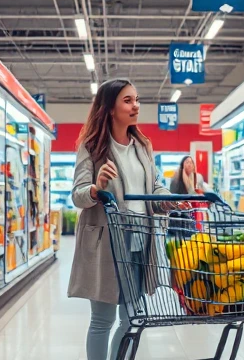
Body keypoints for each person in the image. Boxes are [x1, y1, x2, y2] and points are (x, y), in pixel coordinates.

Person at [69, 78, 178, 360]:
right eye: (128, 101)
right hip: (107, 240)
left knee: (131, 318)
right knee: (102, 320)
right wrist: (96, 187)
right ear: (109, 108)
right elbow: (78, 196)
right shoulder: (92, 147)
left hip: (140, 240)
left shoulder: (143, 145)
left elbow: (155, 186)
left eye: (137, 99)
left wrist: (169, 198)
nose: (136, 106)